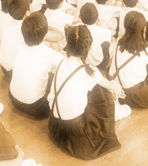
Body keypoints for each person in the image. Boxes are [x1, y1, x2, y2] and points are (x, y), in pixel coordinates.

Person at [47, 25, 124, 160]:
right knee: (102, 89)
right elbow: (111, 87)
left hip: (56, 124)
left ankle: (117, 109)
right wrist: (116, 88)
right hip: (76, 130)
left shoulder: (61, 60)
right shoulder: (88, 72)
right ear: (89, 47)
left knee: (98, 82)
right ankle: (118, 111)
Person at [9, 12, 62, 119]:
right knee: (57, 76)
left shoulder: (20, 46)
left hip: (13, 99)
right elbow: (65, 64)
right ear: (45, 35)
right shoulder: (48, 53)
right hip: (37, 108)